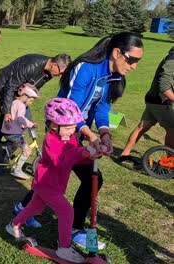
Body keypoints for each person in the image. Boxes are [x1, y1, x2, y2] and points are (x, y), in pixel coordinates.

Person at [13, 32, 144, 249]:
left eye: (138, 62)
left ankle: (24, 209)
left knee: (63, 178)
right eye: (132, 60)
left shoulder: (115, 76)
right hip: (63, 130)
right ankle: (72, 229)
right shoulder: (86, 68)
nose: (134, 66)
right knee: (76, 177)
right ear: (117, 53)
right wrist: (91, 137)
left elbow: (102, 107)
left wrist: (103, 133)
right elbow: (69, 109)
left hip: (80, 131)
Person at [6, 98, 98, 263]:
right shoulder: (51, 140)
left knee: (35, 207)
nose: (72, 130)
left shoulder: (70, 138)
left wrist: (91, 155)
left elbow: (76, 154)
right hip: (46, 184)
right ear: (54, 125)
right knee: (66, 211)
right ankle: (64, 248)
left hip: (55, 184)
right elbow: (61, 160)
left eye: (73, 127)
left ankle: (13, 224)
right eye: (69, 127)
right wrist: (84, 152)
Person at [0, 53, 72, 152]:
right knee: (7, 119)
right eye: (60, 73)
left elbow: (35, 86)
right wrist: (7, 111)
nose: (60, 76)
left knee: (21, 119)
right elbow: (10, 87)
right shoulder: (30, 66)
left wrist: (29, 99)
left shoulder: (50, 72)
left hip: (22, 92)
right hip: (6, 85)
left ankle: (8, 151)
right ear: (54, 65)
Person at [118, 46, 174, 164]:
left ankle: (124, 155)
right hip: (159, 101)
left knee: (142, 127)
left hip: (154, 99)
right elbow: (164, 86)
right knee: (172, 128)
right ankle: (169, 162)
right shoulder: (172, 60)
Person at [2, 84, 40, 179]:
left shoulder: (14, 102)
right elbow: (20, 118)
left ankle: (5, 159)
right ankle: (17, 170)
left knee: (15, 146)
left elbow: (15, 117)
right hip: (14, 133)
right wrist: (30, 124)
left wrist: (22, 124)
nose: (30, 103)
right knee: (27, 150)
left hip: (8, 131)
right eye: (31, 101)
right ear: (25, 96)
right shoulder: (22, 106)